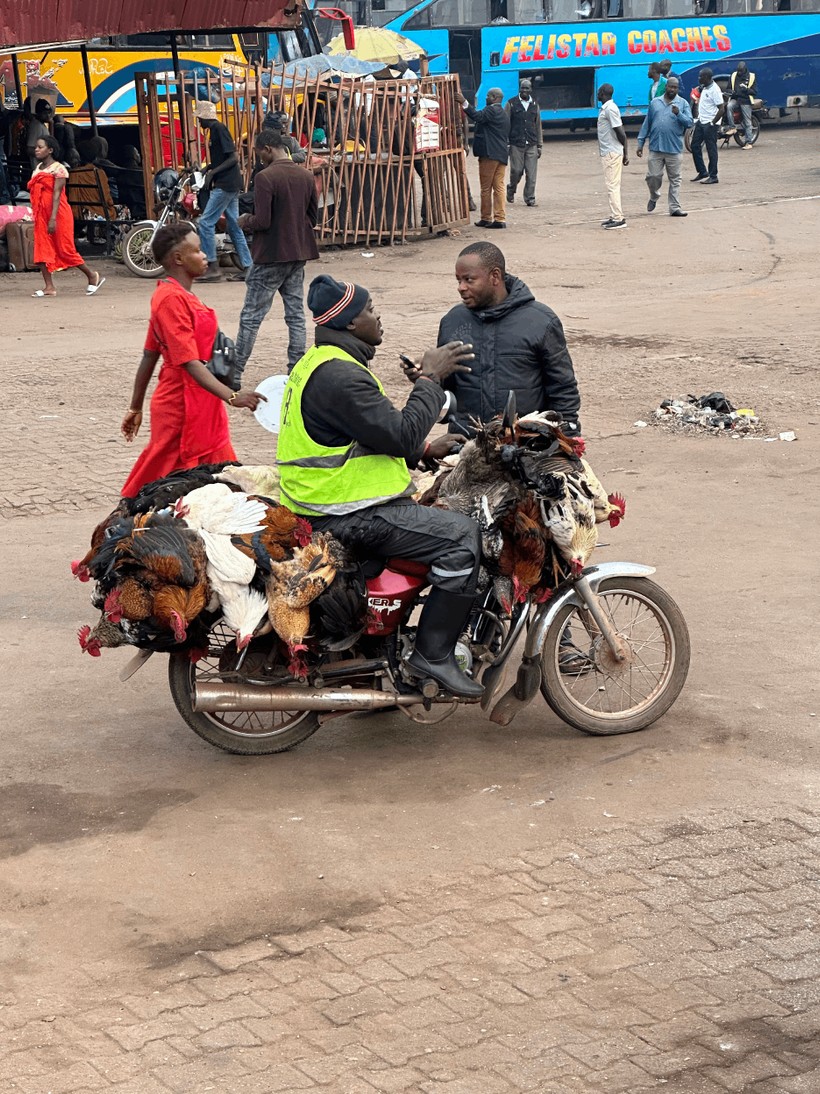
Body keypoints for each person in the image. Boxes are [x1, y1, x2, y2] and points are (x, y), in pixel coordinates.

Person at [276, 273, 484, 698]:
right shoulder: (339, 376)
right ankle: (433, 655)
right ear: (351, 323)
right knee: (463, 537)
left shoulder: (320, 365)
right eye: (370, 310)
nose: (377, 316)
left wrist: (423, 450)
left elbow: (366, 435)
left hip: (326, 502)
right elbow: (399, 434)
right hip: (346, 512)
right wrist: (430, 379)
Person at [120, 223, 264, 499]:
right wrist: (233, 397)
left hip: (203, 403)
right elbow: (188, 362)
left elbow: (150, 354)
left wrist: (136, 407)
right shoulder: (170, 300)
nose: (205, 256)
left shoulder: (177, 295)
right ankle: (126, 524)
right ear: (178, 259)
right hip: (182, 408)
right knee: (161, 480)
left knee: (216, 479)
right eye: (197, 251)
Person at [431, 242, 581, 435]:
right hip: (466, 446)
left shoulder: (541, 321)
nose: (461, 287)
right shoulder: (453, 321)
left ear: (495, 276)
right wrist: (428, 376)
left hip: (526, 447)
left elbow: (563, 388)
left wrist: (567, 438)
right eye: (458, 280)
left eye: (469, 280)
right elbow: (447, 391)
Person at [234, 129, 319, 380]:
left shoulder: (265, 177)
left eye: (259, 152)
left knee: (251, 316)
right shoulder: (305, 175)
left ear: (268, 148)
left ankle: (235, 372)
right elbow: (311, 219)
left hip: (270, 255)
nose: (259, 157)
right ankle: (296, 368)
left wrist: (244, 220)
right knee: (295, 315)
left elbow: (263, 220)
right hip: (297, 254)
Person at [27, 135, 104, 298]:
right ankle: (49, 286)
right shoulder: (38, 168)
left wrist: (53, 218)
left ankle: (91, 275)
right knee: (41, 249)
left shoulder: (59, 169)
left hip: (58, 214)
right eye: (36, 147)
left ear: (50, 150)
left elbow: (56, 194)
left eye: (40, 147)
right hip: (41, 214)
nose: (36, 149)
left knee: (65, 249)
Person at [193, 100, 253, 282]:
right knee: (234, 226)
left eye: (200, 119)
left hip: (225, 185)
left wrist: (212, 174)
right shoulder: (214, 131)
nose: (199, 122)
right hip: (230, 184)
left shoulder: (219, 129)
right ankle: (249, 266)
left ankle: (212, 266)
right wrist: (208, 168)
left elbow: (233, 158)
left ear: (204, 117)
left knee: (205, 223)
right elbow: (222, 158)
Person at [637, 77, 694, 218]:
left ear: (678, 89)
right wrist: (640, 143)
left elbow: (689, 123)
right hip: (656, 147)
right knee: (653, 176)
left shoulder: (683, 104)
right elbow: (647, 124)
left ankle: (674, 207)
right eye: (670, 87)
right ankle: (654, 195)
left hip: (674, 149)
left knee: (675, 179)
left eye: (675, 87)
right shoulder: (655, 103)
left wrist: (678, 114)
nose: (672, 90)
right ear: (666, 87)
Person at [456, 87, 510, 230]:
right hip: (502, 155)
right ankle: (500, 218)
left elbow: (477, 116)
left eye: (487, 96)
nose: (485, 98)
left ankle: (486, 218)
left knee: (486, 187)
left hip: (489, 154)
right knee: (499, 186)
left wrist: (464, 102)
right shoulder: (503, 113)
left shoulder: (491, 110)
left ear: (494, 98)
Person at [596, 83, 629, 230]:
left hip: (611, 152)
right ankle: (614, 215)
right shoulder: (607, 108)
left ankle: (618, 218)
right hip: (609, 152)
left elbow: (620, 132)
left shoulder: (610, 109)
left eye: (599, 91)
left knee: (612, 186)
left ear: (603, 93)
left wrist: (625, 151)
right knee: (612, 185)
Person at [505, 78, 542, 207]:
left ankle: (530, 198)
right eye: (522, 88)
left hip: (531, 143)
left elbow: (538, 126)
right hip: (516, 143)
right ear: (519, 89)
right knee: (516, 171)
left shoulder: (535, 105)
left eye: (527, 88)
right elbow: (506, 125)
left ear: (531, 90)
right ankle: (511, 189)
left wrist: (539, 145)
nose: (525, 90)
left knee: (531, 174)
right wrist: (506, 143)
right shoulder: (511, 104)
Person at [690, 68, 725, 184]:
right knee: (694, 145)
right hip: (701, 121)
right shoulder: (704, 87)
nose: (699, 78)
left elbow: (721, 108)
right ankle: (702, 171)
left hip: (710, 124)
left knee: (711, 149)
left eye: (701, 77)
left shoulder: (715, 90)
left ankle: (713, 175)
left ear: (707, 77)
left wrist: (713, 123)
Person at [725, 61, 757, 148]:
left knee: (747, 122)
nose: (739, 73)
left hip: (746, 100)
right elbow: (727, 89)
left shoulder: (751, 77)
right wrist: (730, 91)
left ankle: (749, 142)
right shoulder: (733, 75)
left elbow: (754, 92)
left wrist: (746, 89)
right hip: (736, 99)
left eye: (740, 71)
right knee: (729, 106)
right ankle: (732, 128)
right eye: (738, 71)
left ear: (744, 70)